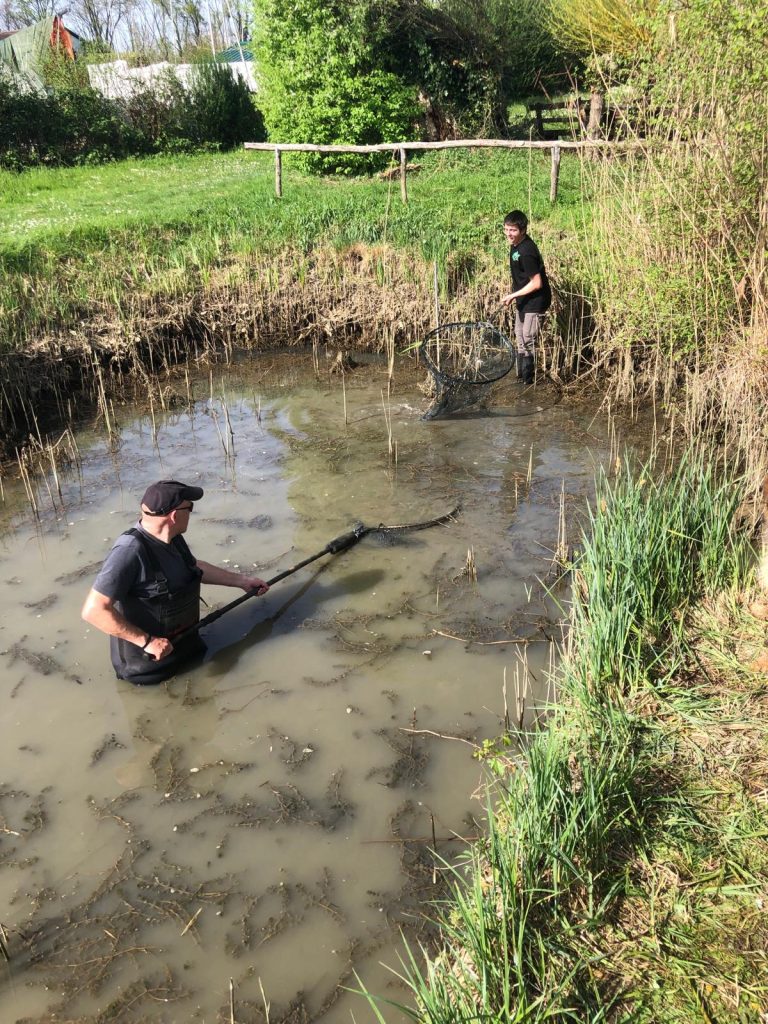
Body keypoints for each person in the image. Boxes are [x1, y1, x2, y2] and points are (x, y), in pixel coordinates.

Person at [81, 480, 269, 685]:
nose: (191, 513)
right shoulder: (128, 552)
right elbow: (94, 611)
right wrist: (146, 642)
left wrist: (242, 581)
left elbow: (194, 568)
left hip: (188, 647)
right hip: (149, 668)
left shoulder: (173, 537)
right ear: (174, 515)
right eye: (190, 508)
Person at [500, 210, 552, 385]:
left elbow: (537, 283)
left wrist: (513, 295)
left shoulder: (527, 251)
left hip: (535, 301)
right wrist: (515, 295)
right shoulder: (515, 245)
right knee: (519, 336)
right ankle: (520, 377)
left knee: (528, 339)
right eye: (506, 229)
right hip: (523, 299)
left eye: (513, 230)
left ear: (523, 230)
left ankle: (528, 382)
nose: (509, 234)